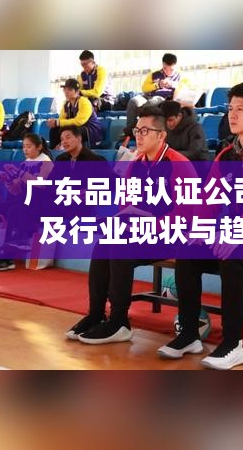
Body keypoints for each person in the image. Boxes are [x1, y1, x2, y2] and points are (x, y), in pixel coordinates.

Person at [157, 82, 243, 370]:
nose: (232, 115)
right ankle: (189, 334)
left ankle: (233, 344)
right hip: (235, 236)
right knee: (187, 250)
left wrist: (236, 233)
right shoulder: (226, 156)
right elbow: (208, 201)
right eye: (230, 108)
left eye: (240, 109)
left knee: (232, 257)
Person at [66, 106, 194, 344]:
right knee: (104, 242)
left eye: (145, 130)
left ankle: (119, 321)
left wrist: (150, 222)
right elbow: (126, 205)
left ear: (161, 135)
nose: (139, 135)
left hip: (173, 235)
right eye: (137, 130)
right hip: (143, 233)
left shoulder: (179, 164)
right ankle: (96, 314)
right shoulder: (136, 164)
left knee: (120, 244)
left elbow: (186, 215)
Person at [0, 133, 53, 271]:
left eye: (29, 146)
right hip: (23, 201)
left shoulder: (47, 163)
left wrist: (19, 173)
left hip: (39, 204)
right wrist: (8, 180)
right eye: (24, 147)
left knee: (14, 211)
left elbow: (40, 184)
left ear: (39, 147)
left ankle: (7, 258)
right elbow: (16, 190)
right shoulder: (24, 163)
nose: (25, 149)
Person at [126, 53, 187, 131]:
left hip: (163, 98)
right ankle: (129, 131)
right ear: (163, 64)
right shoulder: (154, 74)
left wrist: (172, 84)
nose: (168, 72)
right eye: (165, 68)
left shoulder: (180, 76)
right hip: (148, 95)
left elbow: (185, 88)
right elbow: (144, 88)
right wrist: (158, 85)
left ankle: (140, 126)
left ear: (176, 66)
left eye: (171, 70)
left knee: (153, 101)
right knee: (133, 102)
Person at [47, 78, 103, 149]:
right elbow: (61, 119)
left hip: (90, 131)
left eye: (70, 90)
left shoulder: (84, 102)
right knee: (54, 129)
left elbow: (79, 121)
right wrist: (55, 123)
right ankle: (55, 150)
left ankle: (66, 148)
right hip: (75, 128)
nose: (66, 92)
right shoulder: (66, 104)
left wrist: (58, 122)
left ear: (77, 91)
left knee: (73, 131)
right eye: (65, 89)